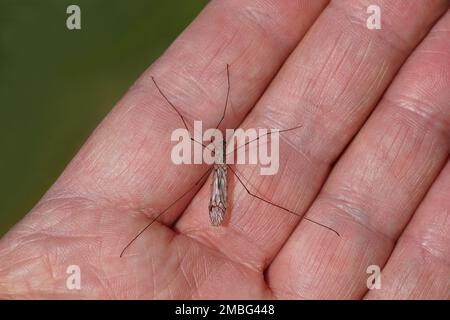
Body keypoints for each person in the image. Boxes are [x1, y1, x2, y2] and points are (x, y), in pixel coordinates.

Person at [0, 0, 449, 299]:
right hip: (216, 177)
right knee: (209, 185)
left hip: (222, 176)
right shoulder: (216, 154)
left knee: (247, 186)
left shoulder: (223, 152)